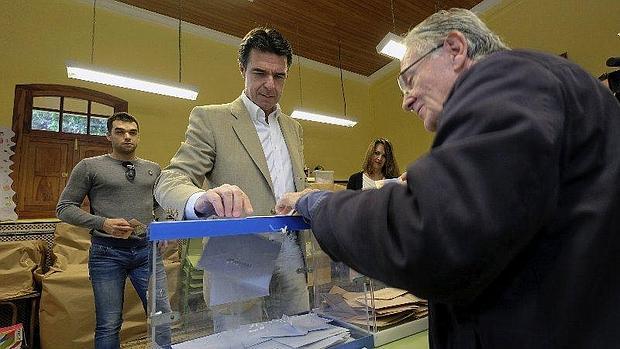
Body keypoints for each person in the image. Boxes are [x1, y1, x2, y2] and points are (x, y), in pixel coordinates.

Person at [274, 8, 620, 348]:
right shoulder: (562, 86)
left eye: (408, 79)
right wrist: (437, 183)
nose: (406, 102)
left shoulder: (508, 79)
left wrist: (317, 202)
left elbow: (428, 236)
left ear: (455, 49)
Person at [154, 27, 308, 330]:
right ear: (242, 70)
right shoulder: (211, 119)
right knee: (238, 337)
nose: (269, 84)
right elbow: (170, 179)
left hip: (292, 250)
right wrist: (201, 200)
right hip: (238, 253)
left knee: (298, 332)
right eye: (259, 73)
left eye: (279, 76)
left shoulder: (294, 129)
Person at [56, 112, 171, 349]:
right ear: (108, 136)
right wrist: (103, 223)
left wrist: (161, 228)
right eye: (120, 132)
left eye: (132, 132)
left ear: (138, 137)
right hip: (107, 254)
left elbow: (159, 205)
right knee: (109, 323)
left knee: (162, 316)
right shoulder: (89, 167)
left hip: (146, 253)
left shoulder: (153, 169)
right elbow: (65, 208)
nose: (127, 137)